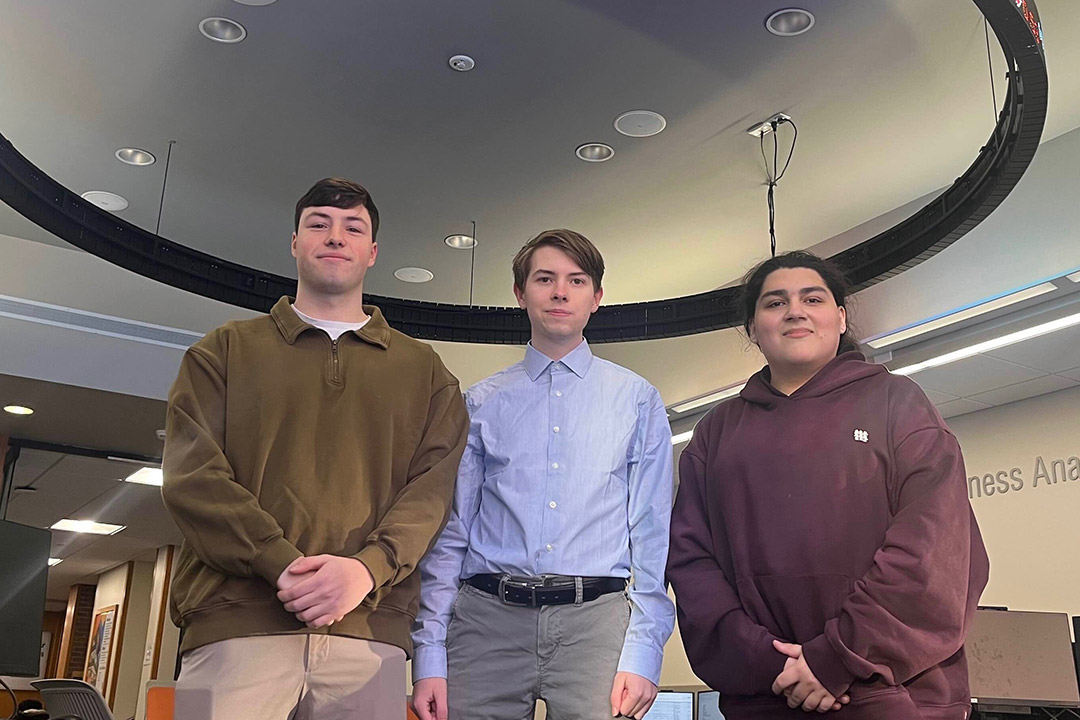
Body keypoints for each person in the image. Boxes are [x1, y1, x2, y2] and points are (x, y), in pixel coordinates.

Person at [162, 177, 469, 719]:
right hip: (235, 627)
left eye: (353, 228)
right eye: (318, 224)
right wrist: (279, 564)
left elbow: (433, 493)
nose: (335, 236)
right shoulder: (222, 351)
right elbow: (193, 478)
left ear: (372, 253)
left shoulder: (427, 374)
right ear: (295, 243)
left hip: (368, 635)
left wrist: (367, 569)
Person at [667, 250, 989, 719]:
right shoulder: (714, 436)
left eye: (812, 298)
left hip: (892, 695)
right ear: (753, 329)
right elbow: (692, 564)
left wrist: (836, 657)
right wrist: (766, 659)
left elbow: (934, 551)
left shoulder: (899, 405)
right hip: (764, 697)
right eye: (774, 303)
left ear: (839, 318)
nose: (794, 310)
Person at [411, 229, 675, 720]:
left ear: (596, 297)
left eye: (576, 281)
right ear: (520, 293)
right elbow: (451, 535)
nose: (559, 292)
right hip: (486, 621)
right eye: (545, 278)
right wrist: (429, 653)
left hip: (597, 626)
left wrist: (645, 651)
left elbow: (652, 534)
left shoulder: (637, 399)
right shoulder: (480, 403)